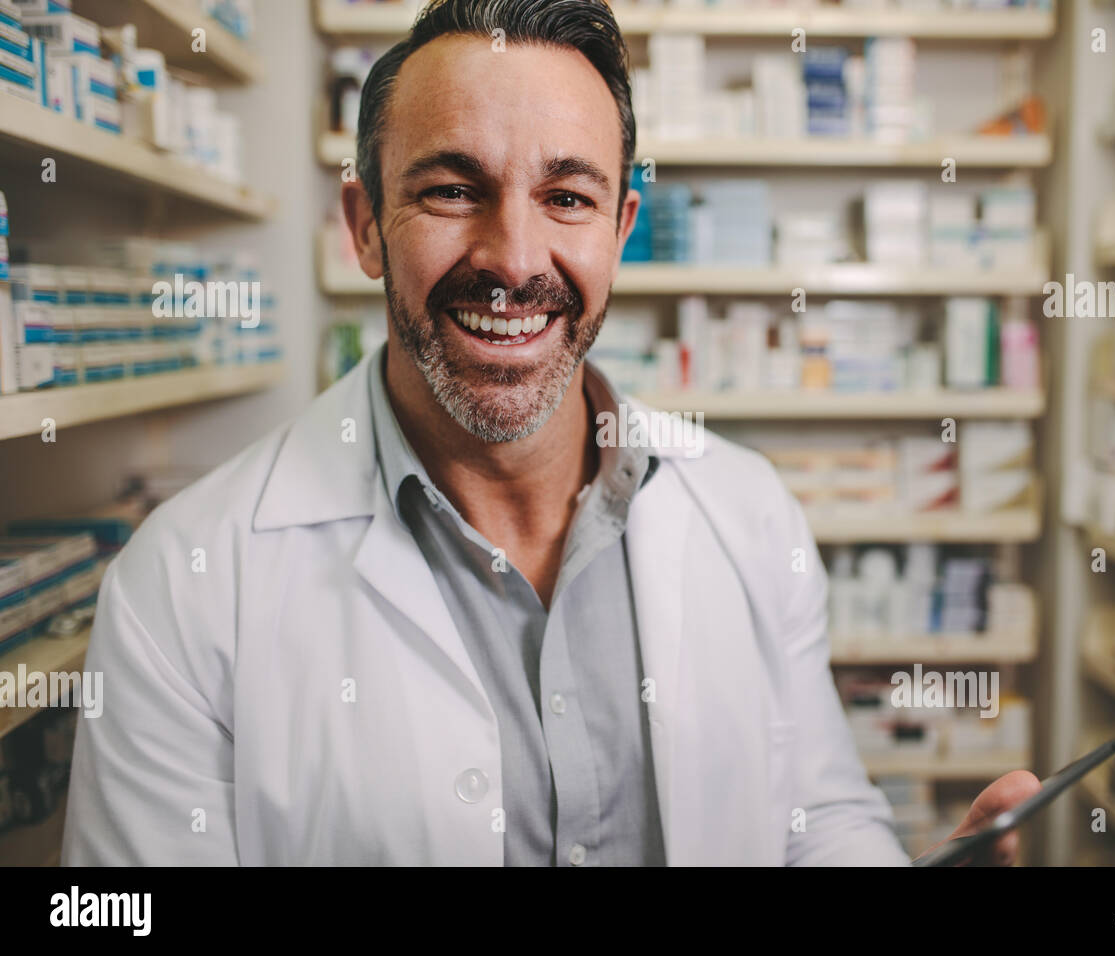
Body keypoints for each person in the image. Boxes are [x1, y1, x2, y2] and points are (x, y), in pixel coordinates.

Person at [62, 0, 1040, 866]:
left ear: (619, 228)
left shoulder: (747, 511)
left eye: (565, 197)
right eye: (451, 188)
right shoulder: (181, 585)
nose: (513, 260)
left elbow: (813, 812)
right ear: (364, 225)